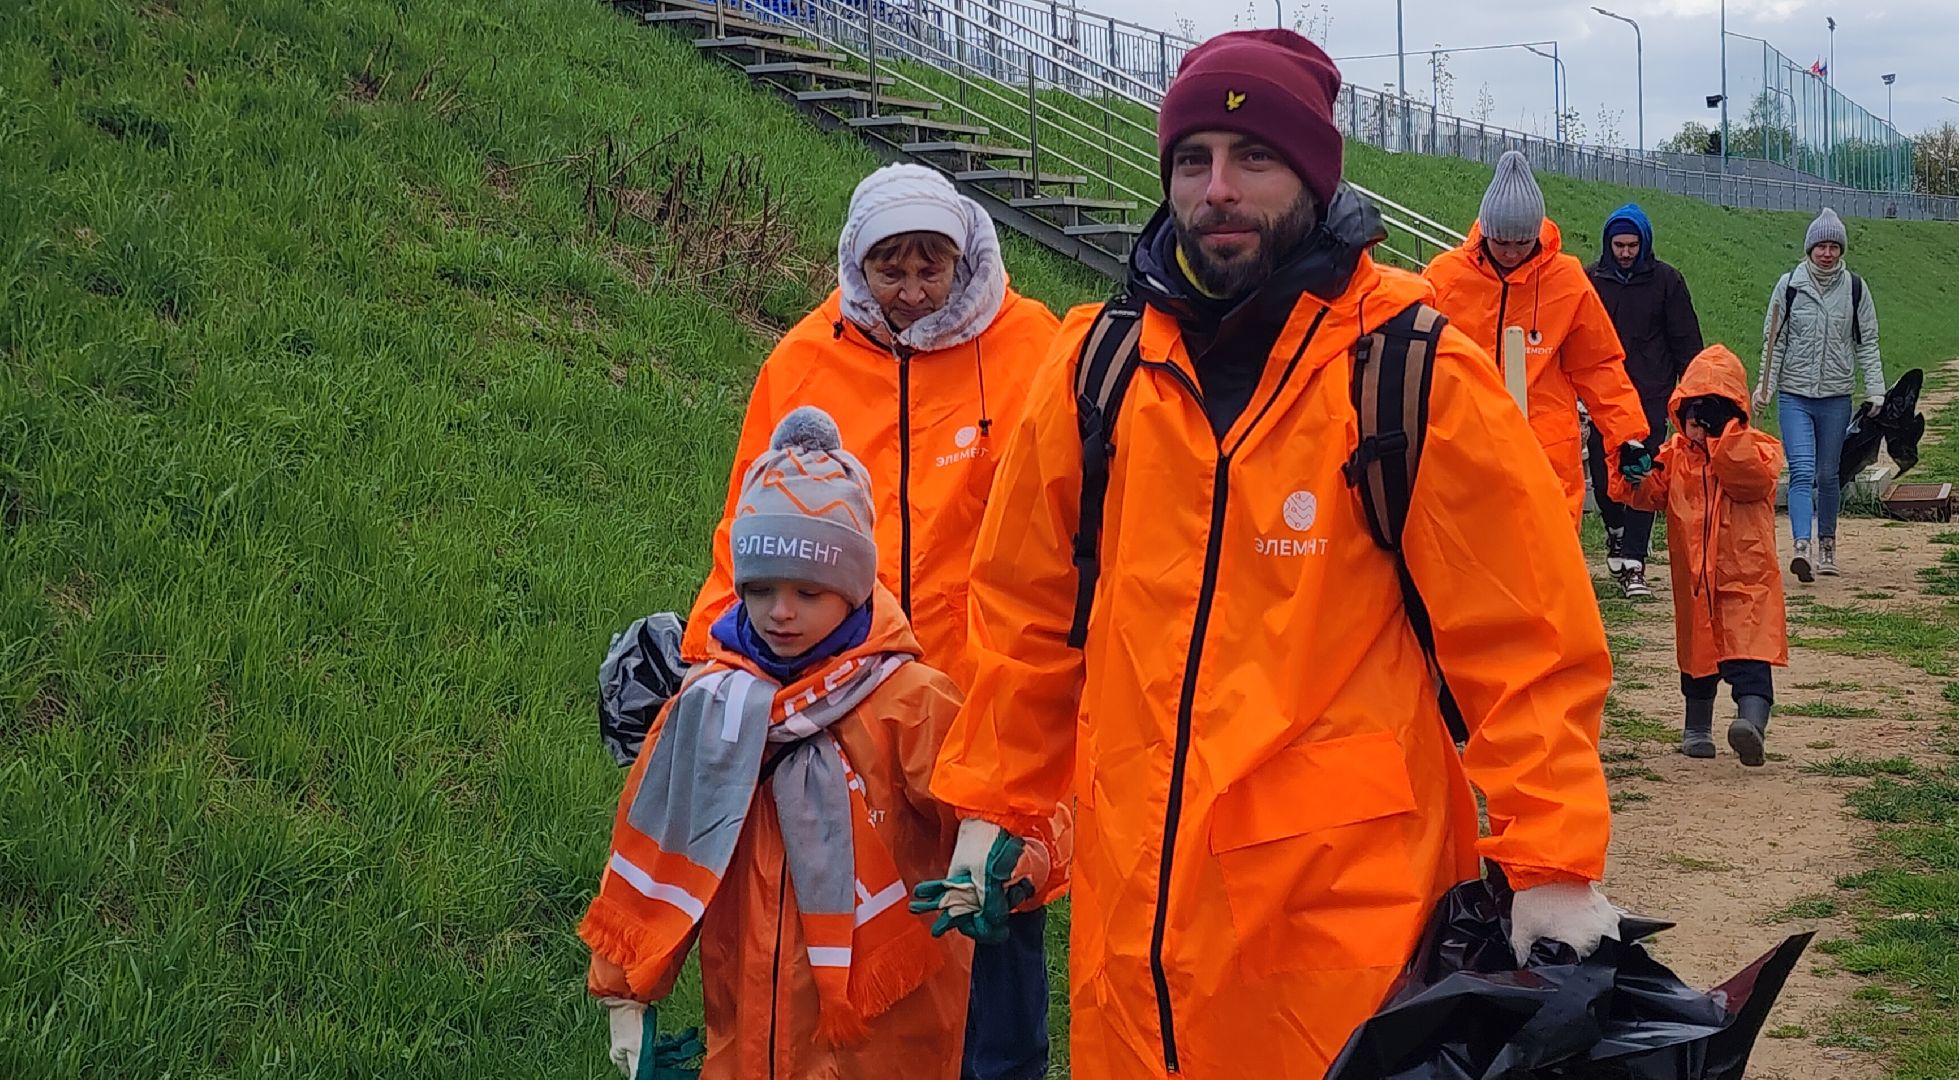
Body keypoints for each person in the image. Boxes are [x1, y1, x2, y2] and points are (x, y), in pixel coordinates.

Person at [922, 29, 1620, 1080]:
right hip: (1134, 937)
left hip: (1341, 939)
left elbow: (1522, 637)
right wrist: (996, 805)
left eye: (1252, 158)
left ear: (1312, 173)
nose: (1218, 190)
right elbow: (1027, 611)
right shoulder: (1097, 369)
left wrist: (1552, 858)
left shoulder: (1409, 374)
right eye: (1193, 160)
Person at [679, 163, 1066, 1080]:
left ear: (967, 258)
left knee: (993, 931)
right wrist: (703, 669)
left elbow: (1069, 532)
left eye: (931, 267)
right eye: (890, 269)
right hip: (834, 710)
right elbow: (749, 528)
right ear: (856, 263)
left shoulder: (1035, 348)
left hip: (985, 711)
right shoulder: (803, 358)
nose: (911, 291)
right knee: (844, 958)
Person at [581, 408, 1052, 1078]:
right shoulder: (707, 708)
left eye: (808, 591)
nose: (780, 611)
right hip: (743, 1042)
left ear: (856, 588)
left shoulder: (910, 705)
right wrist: (625, 993)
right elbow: (649, 851)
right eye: (760, 589)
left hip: (886, 1049)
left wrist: (1007, 866)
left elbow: (1010, 802)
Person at [1422, 150, 1649, 529]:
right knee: (1465, 565)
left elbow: (1598, 365)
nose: (1511, 253)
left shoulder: (1567, 280)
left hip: (1545, 453)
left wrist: (1626, 436)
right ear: (1485, 233)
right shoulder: (1444, 278)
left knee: (1547, 568)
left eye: (1522, 243)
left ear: (1537, 235)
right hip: (1462, 444)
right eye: (1502, 243)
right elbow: (1414, 355)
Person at [1611, 347, 1790, 765]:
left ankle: (1751, 723)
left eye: (1708, 414)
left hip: (1745, 579)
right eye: (1691, 413)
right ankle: (1697, 726)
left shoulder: (1756, 449)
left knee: (1750, 657)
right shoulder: (1674, 456)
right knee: (1697, 661)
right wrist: (1631, 471)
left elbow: (1746, 477)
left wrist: (1723, 436)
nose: (1696, 424)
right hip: (1694, 581)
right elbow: (1649, 494)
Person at [1753, 208, 1884, 582]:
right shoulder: (1789, 286)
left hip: (1835, 396)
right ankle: (1801, 547)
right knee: (1801, 471)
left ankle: (1827, 543)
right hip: (1795, 394)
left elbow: (1868, 342)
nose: (1827, 253)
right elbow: (1773, 342)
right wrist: (1765, 388)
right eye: (1820, 246)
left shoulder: (1856, 288)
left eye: (1833, 247)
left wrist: (1875, 390)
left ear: (1841, 250)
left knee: (1829, 475)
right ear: (1809, 248)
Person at [1585, 203, 1705, 599]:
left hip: (1651, 394)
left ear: (1644, 243)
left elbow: (1686, 341)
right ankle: (1616, 532)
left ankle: (1635, 562)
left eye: (1632, 245)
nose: (1625, 252)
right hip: (1602, 395)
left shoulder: (1667, 281)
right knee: (1604, 481)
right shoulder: (1590, 281)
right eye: (1618, 245)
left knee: (1642, 473)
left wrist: (1691, 395)